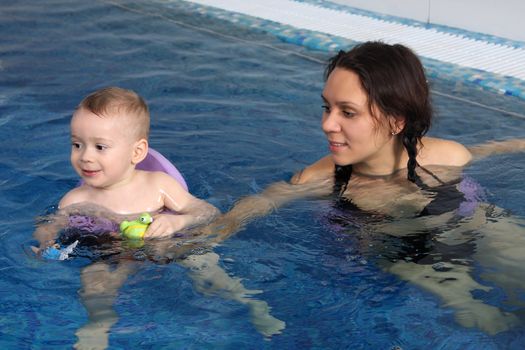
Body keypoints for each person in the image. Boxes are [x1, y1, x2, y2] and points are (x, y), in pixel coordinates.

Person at [206, 42, 525, 335]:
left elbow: (487, 150)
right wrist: (199, 234)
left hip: (471, 221)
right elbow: (260, 203)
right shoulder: (321, 178)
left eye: (347, 112)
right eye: (326, 107)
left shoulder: (449, 155)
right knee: (482, 318)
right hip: (395, 250)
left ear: (396, 120)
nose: (328, 124)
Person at [32, 87, 284, 349]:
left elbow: (207, 212)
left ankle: (251, 303)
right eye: (77, 144)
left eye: (100, 146)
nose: (85, 156)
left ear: (137, 152)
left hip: (168, 245)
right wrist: (45, 243)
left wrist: (178, 221)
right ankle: (99, 324)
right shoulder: (75, 200)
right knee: (94, 284)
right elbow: (49, 225)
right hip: (107, 251)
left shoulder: (158, 185)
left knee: (205, 265)